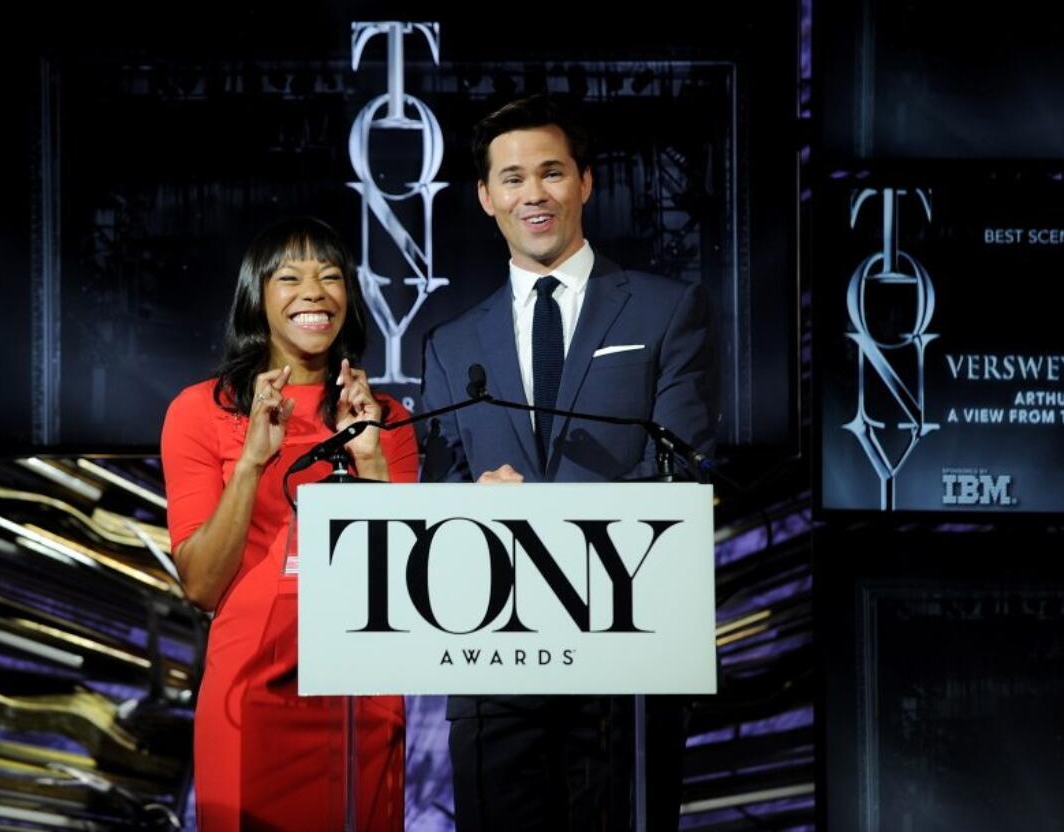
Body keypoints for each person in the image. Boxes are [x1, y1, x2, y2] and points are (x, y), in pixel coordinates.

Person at [421, 95, 718, 830]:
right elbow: (436, 488)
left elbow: (683, 467)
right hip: (495, 658)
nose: (535, 194)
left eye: (552, 173)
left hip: (625, 650)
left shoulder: (665, 310)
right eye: (513, 178)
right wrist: (466, 505)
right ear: (488, 197)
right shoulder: (452, 344)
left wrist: (552, 521)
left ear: (585, 182)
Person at [161, 217, 417, 831]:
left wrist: (373, 462)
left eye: (330, 277)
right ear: (258, 295)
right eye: (291, 277)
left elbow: (408, 584)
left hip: (363, 689)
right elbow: (201, 585)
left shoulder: (383, 418)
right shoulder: (201, 410)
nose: (314, 292)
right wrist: (252, 460)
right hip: (249, 692)